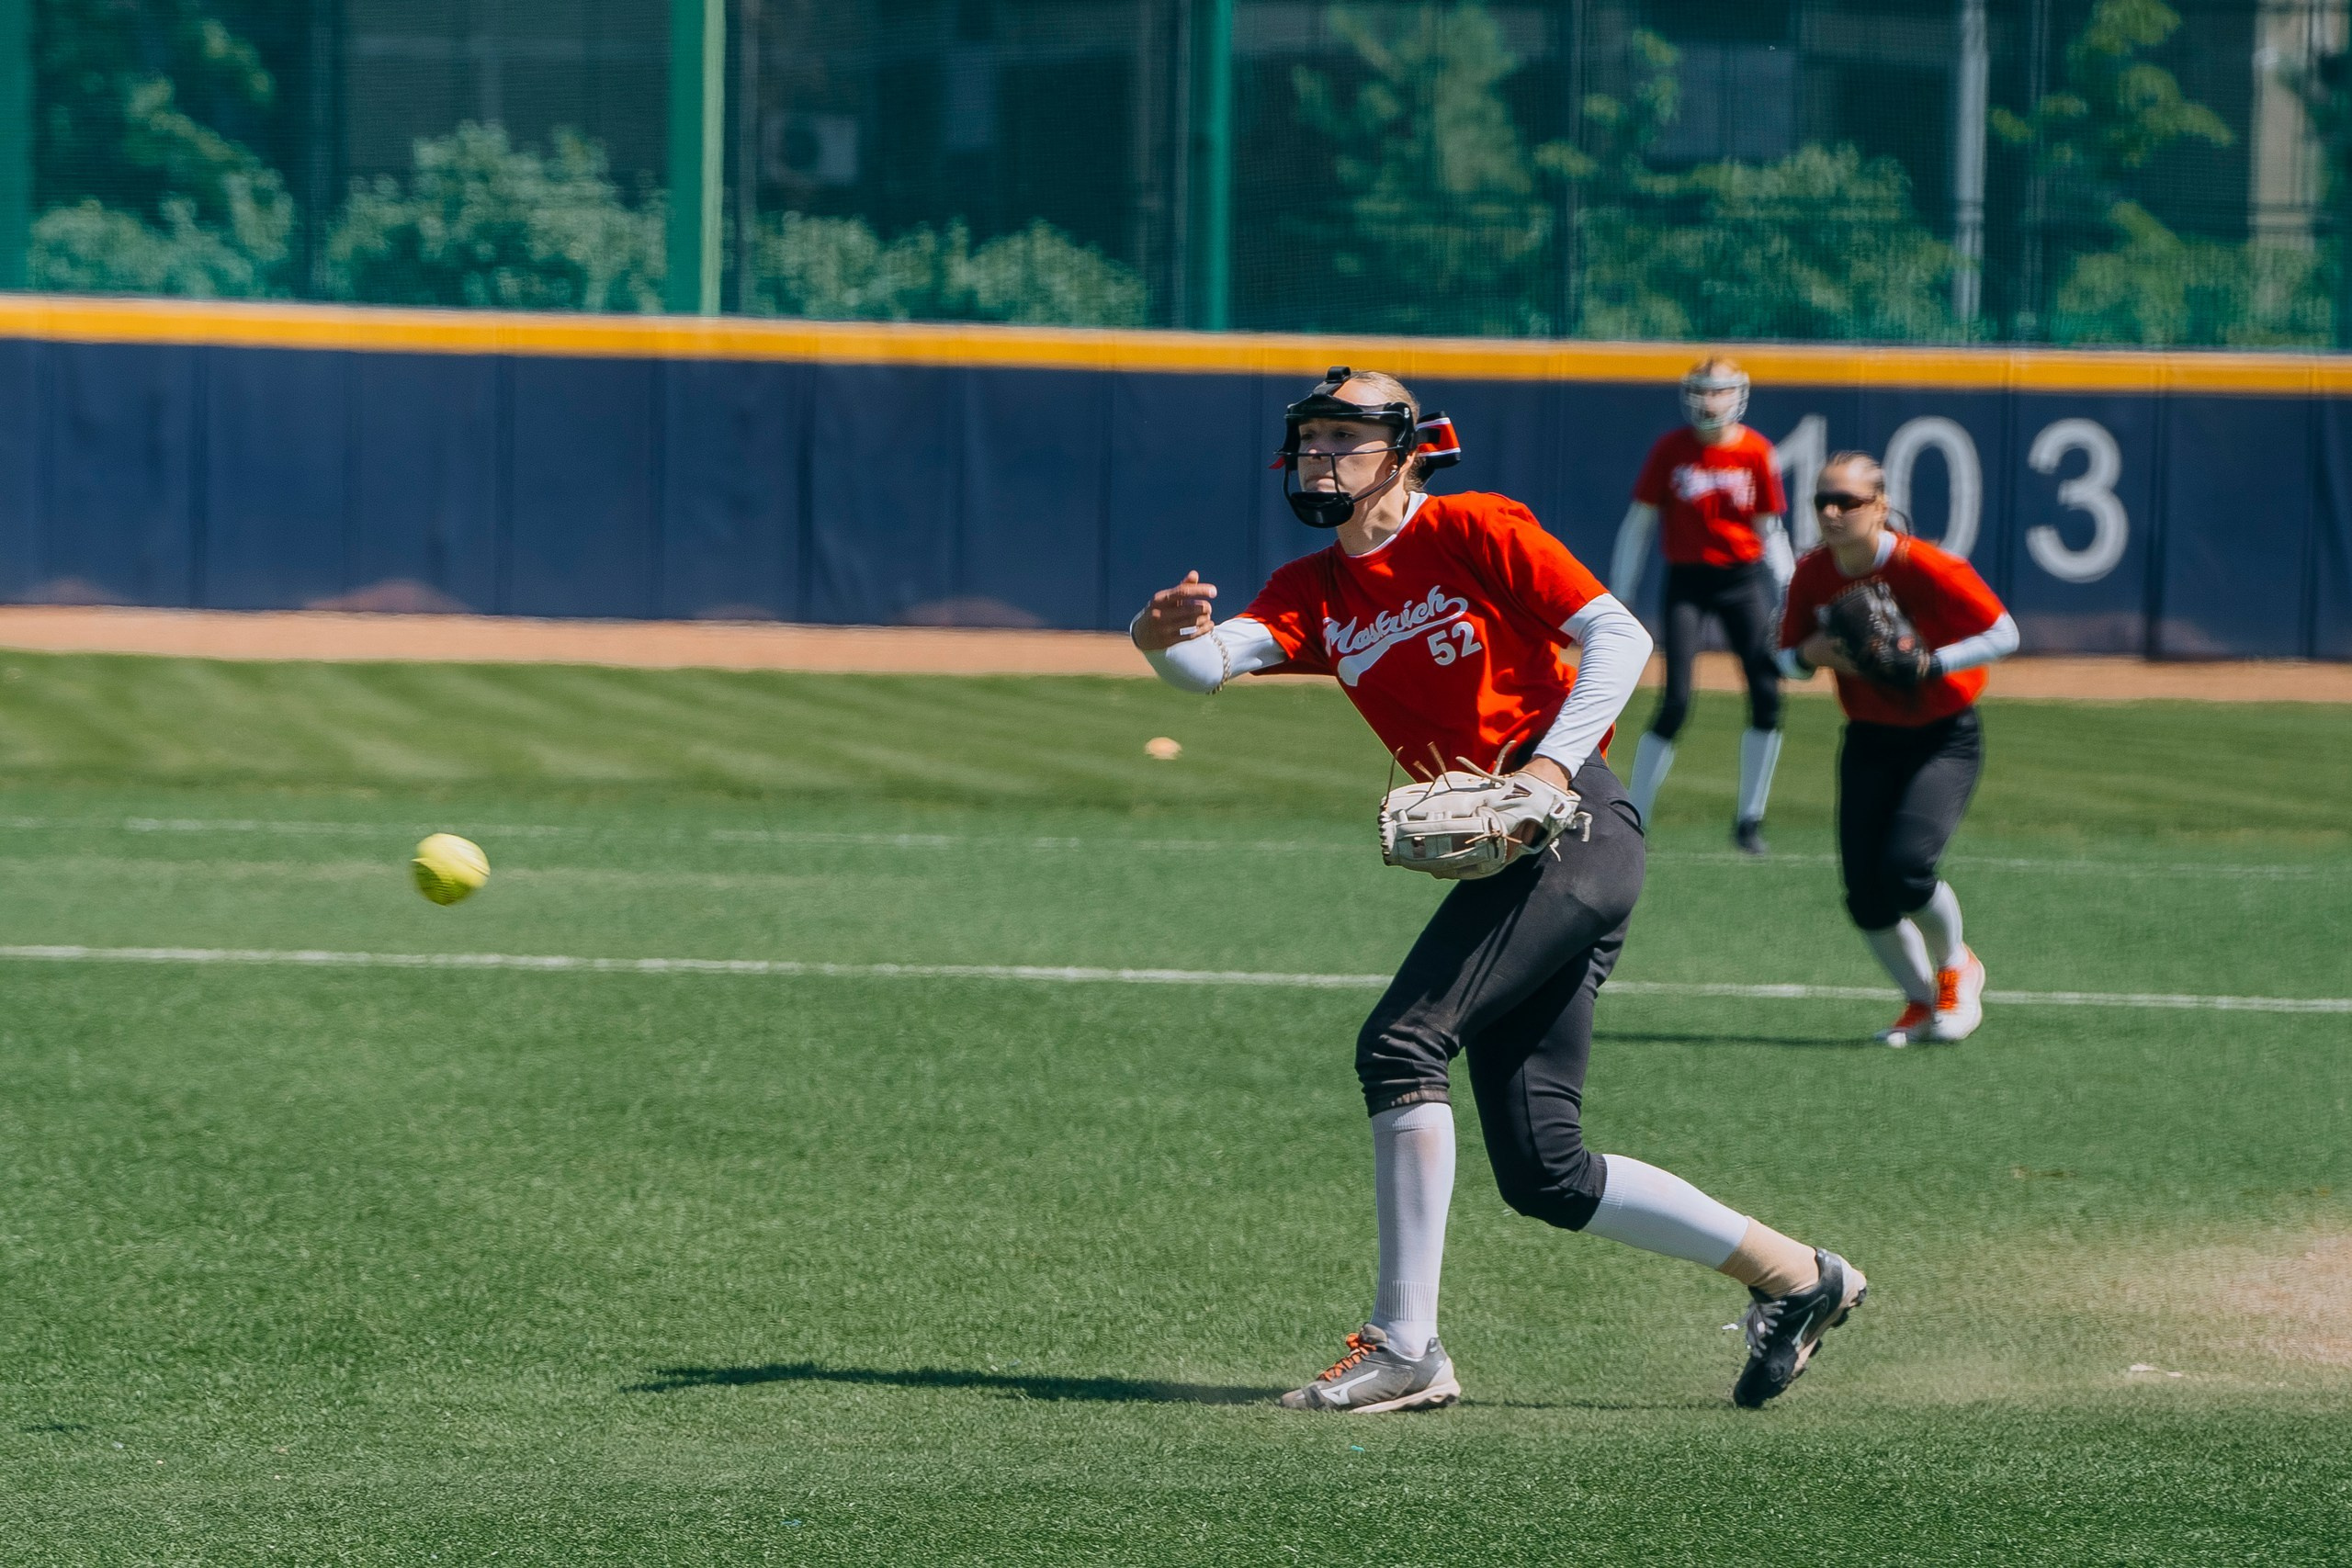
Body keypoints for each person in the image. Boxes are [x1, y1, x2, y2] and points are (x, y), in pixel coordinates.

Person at [1130, 367, 1867, 1412]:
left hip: (1576, 831)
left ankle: (1405, 1347)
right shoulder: (1314, 589)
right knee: (1545, 1172)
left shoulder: (1471, 527)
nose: (1319, 458)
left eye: (1346, 438)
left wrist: (1550, 770)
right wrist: (1155, 641)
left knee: (1399, 1043)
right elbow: (1207, 667)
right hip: (1528, 854)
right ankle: (1799, 1278)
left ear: (1408, 452)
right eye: (1309, 439)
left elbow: (1620, 636)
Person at [1777, 451, 2019, 1046]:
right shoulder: (1813, 572)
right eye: (1822, 501)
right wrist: (1817, 652)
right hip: (1869, 737)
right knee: (1864, 895)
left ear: (1881, 506)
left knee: (1907, 870)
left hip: (1943, 735)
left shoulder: (1926, 564)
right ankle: (1919, 1000)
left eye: (1848, 501)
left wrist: (1933, 664)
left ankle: (1957, 968)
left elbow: (2004, 632)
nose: (1832, 513)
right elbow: (1787, 657)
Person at [1611, 357, 1793, 854]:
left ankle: (1749, 820)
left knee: (1767, 695)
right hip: (1687, 581)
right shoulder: (1672, 449)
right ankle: (1636, 817)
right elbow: (1639, 524)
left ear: (1738, 396)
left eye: (1720, 392)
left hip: (1743, 579)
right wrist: (1621, 596)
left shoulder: (1756, 451)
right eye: (1703, 391)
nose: (1711, 402)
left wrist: (1792, 593)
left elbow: (1769, 531)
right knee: (1675, 701)